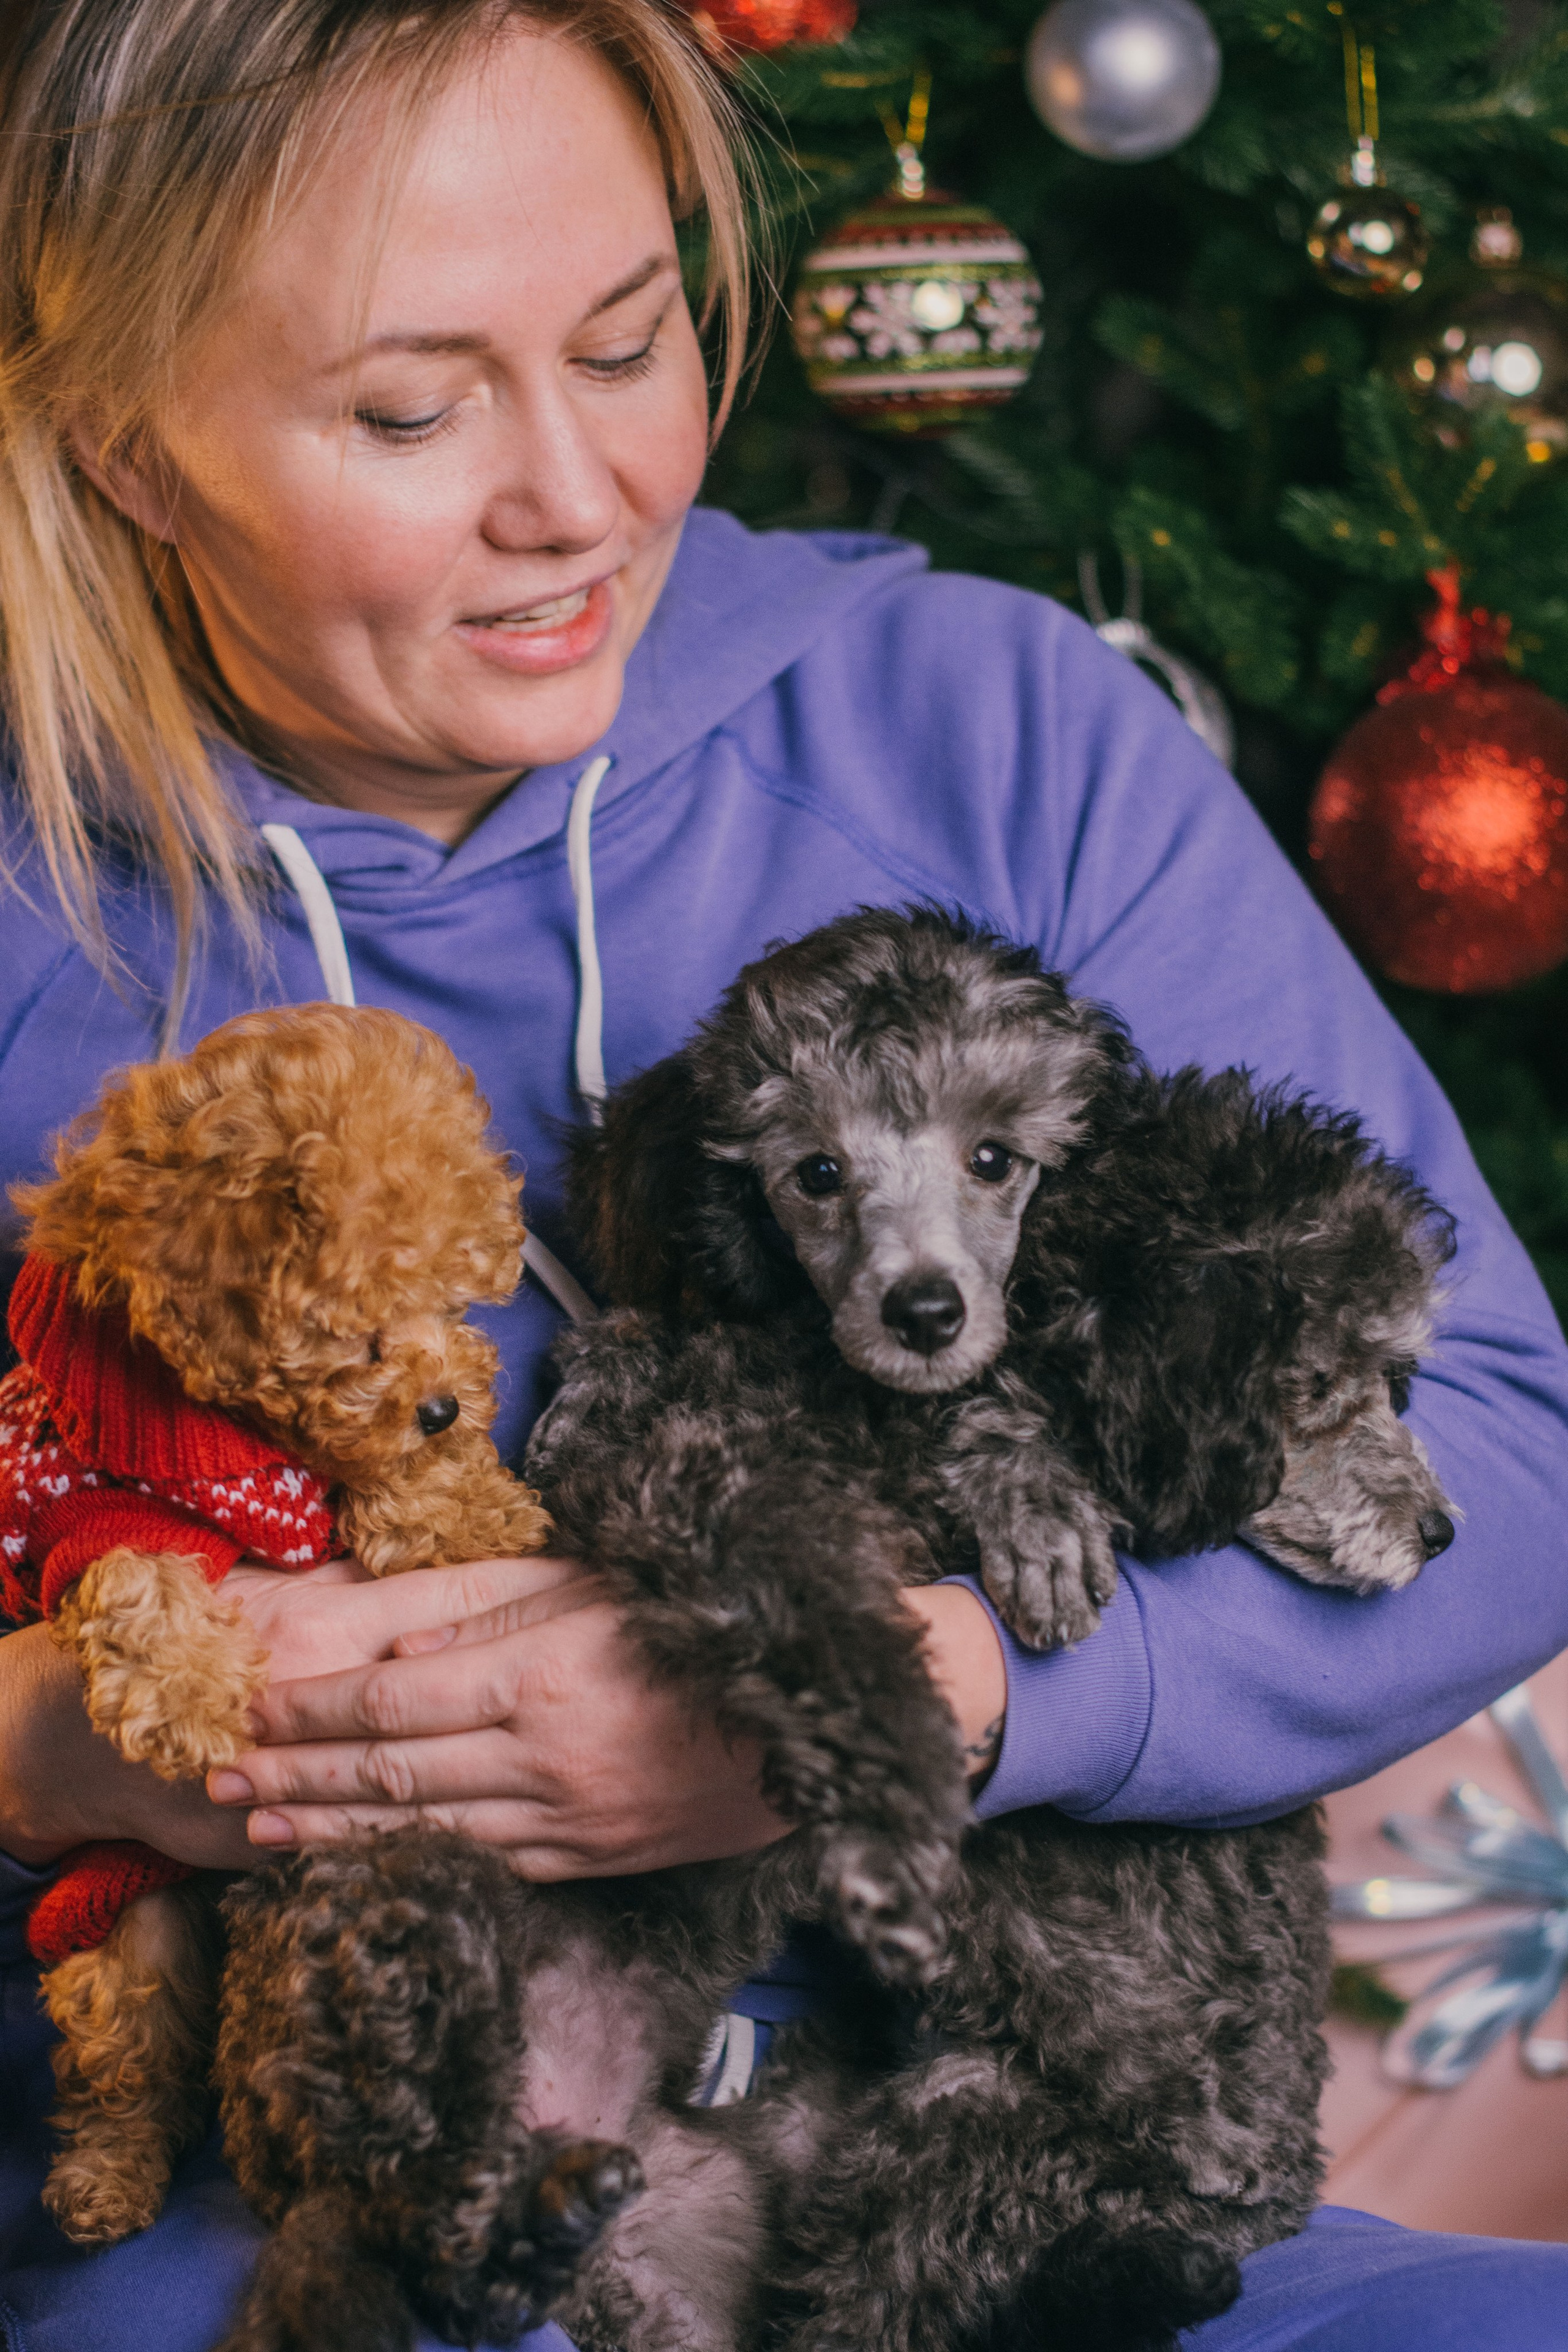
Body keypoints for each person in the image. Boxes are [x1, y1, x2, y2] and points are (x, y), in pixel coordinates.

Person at [1, 2, 1565, 2346]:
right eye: (413, 412)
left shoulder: (992, 723)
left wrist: (935, 1698)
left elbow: (1508, 1460)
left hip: (1008, 2203)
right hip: (311, 2237)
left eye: (632, 345)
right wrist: (74, 1745)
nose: (580, 498)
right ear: (129, 445)